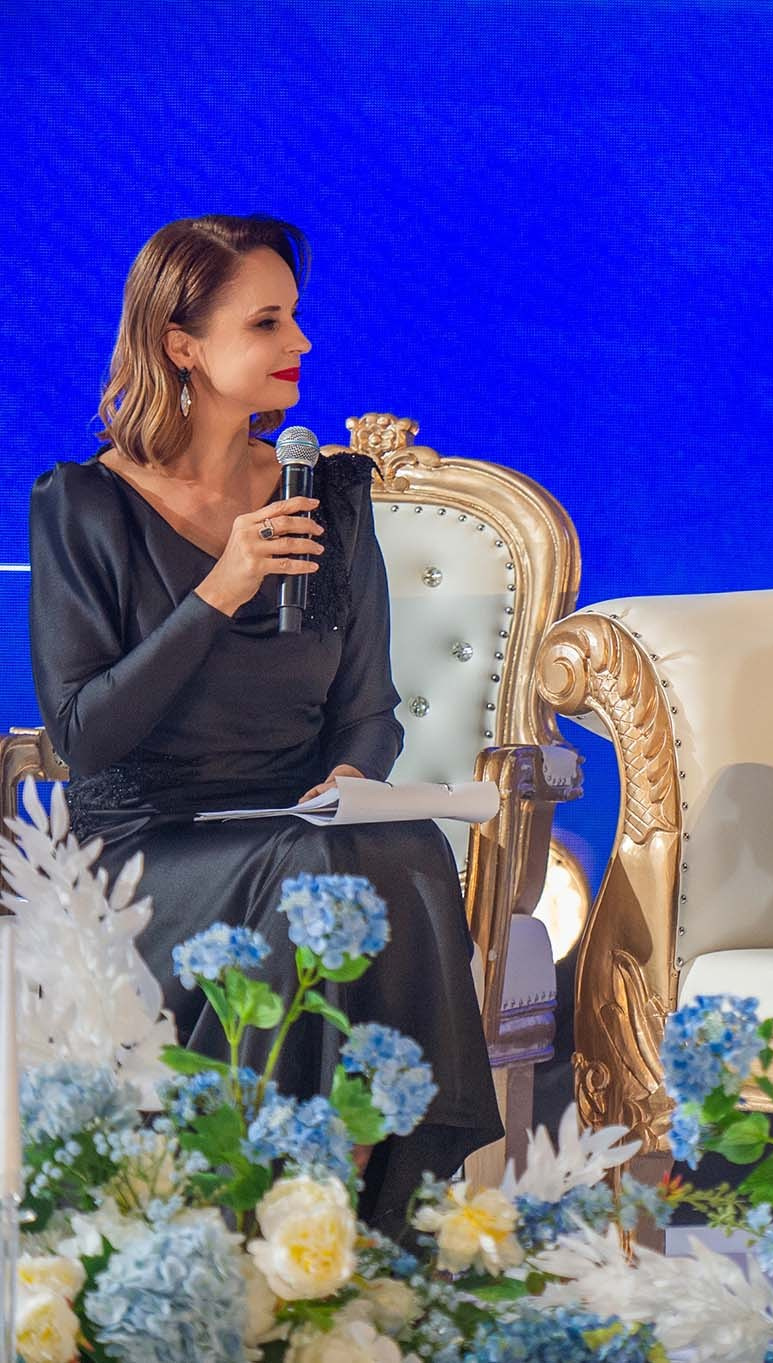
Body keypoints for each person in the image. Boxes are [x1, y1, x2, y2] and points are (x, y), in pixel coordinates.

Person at [27, 215, 501, 1227]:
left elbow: (367, 708)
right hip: (142, 849)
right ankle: (268, 1208)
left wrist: (352, 782)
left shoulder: (329, 494)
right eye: (269, 321)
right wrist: (219, 591)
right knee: (307, 867)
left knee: (396, 840)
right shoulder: (83, 506)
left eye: (298, 318)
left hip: (296, 828)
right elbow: (80, 735)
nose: (303, 344)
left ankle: (370, 1215)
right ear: (181, 343)